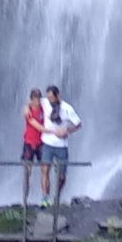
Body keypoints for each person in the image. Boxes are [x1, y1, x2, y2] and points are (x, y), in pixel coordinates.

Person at [39, 84, 80, 213]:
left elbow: (78, 124)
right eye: (48, 97)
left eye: (51, 97)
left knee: (61, 176)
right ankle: (45, 198)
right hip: (47, 143)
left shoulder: (67, 109)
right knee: (45, 170)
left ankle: (57, 196)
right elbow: (32, 101)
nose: (49, 99)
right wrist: (26, 108)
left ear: (58, 96)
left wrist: (67, 130)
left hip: (61, 146)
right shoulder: (44, 103)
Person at [19, 87, 46, 220]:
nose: (37, 102)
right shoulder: (28, 110)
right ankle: (25, 200)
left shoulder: (43, 108)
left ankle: (44, 199)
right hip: (29, 143)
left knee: (44, 170)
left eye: (38, 99)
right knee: (27, 172)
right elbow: (30, 119)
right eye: (35, 99)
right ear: (31, 99)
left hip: (41, 143)